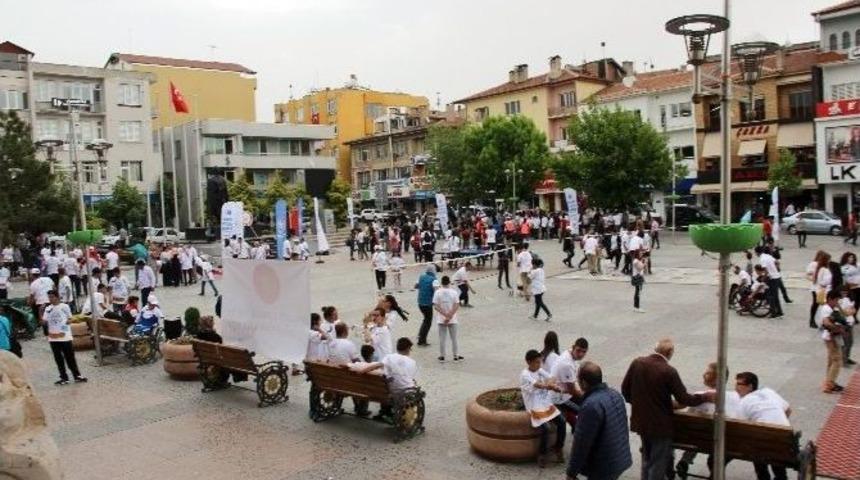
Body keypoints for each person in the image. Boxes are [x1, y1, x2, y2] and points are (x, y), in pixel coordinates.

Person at [621, 338, 712, 480]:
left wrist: (639, 404)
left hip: (642, 422)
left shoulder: (637, 363)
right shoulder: (668, 371)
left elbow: (625, 389)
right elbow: (684, 399)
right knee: (657, 462)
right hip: (660, 426)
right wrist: (704, 397)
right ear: (669, 352)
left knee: (647, 458)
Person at [565, 361, 632, 480]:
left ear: (584, 383)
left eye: (578, 380)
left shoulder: (590, 406)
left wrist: (571, 472)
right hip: (620, 457)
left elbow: (581, 443)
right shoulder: (615, 394)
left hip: (603, 466)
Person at [674, 362, 742, 477]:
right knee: (702, 433)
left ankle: (685, 460)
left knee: (697, 433)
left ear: (717, 379)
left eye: (708, 373)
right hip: (729, 442)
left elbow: (688, 420)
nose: (703, 375)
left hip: (703, 439)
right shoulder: (736, 397)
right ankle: (688, 462)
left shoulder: (701, 396)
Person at [735, 372, 792, 480]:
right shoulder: (768, 391)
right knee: (772, 445)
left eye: (739, 384)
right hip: (783, 438)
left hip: (762, 444)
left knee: (757, 444)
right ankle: (781, 477)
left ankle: (763, 477)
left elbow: (741, 426)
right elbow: (788, 410)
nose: (736, 388)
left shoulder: (744, 401)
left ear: (750, 386)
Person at [520, 349, 566, 468]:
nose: (539, 365)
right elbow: (537, 384)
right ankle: (542, 454)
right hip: (534, 406)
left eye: (540, 362)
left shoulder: (539, 370)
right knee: (545, 428)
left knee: (561, 421)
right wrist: (550, 386)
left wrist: (552, 384)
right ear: (528, 362)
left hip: (545, 404)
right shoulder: (525, 374)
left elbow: (552, 377)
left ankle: (558, 447)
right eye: (536, 362)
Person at [360, 337, 419, 421]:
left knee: (389, 382)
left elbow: (377, 365)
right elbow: (412, 379)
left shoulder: (389, 357)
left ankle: (386, 411)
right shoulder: (412, 362)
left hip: (392, 391)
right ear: (407, 349)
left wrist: (363, 371)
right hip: (406, 391)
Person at [43, 290, 86, 385]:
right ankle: (63, 377)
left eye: (52, 297)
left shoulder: (64, 306)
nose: (50, 299)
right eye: (49, 297)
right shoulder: (48, 308)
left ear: (57, 297)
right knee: (58, 358)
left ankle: (77, 375)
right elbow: (44, 321)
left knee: (70, 357)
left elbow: (69, 319)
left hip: (64, 336)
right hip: (53, 337)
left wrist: (63, 329)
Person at [817, 290, 846, 393]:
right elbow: (826, 323)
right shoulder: (826, 309)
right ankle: (829, 384)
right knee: (837, 360)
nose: (837, 302)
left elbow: (844, 314)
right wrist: (838, 328)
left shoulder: (832, 308)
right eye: (836, 300)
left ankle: (830, 381)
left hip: (832, 336)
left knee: (831, 360)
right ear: (830, 299)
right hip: (831, 337)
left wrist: (839, 306)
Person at [433, 275, 462, 362]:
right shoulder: (454, 292)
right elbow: (456, 305)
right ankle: (455, 356)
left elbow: (436, 306)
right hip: (452, 319)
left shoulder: (437, 292)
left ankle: (442, 356)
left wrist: (445, 315)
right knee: (454, 338)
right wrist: (450, 316)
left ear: (441, 283)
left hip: (441, 319)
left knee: (442, 338)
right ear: (449, 282)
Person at [807, 251, 832, 328]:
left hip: (820, 289)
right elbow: (808, 274)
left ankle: (820, 321)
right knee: (816, 304)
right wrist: (814, 280)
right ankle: (812, 320)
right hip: (817, 288)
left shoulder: (823, 267)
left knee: (820, 304)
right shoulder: (814, 264)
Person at [757, 247, 784, 318]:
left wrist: (763, 278)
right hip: (777, 277)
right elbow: (777, 262)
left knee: (770, 296)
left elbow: (766, 271)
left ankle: (773, 313)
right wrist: (777, 269)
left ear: (757, 253)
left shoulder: (762, 259)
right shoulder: (768, 256)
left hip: (772, 279)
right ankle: (779, 312)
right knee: (775, 296)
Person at [415, 265, 436, 347]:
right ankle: (422, 340)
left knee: (425, 320)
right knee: (428, 322)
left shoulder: (421, 276)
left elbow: (416, 286)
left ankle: (420, 336)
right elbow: (436, 291)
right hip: (428, 303)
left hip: (420, 303)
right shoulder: (434, 279)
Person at [839, 285, 857, 366]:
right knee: (845, 343)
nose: (844, 294)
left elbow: (853, 310)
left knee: (850, 342)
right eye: (843, 292)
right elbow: (843, 312)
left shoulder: (849, 300)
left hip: (850, 323)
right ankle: (844, 359)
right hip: (844, 324)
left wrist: (850, 311)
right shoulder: (840, 301)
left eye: (846, 292)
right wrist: (849, 311)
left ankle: (847, 357)